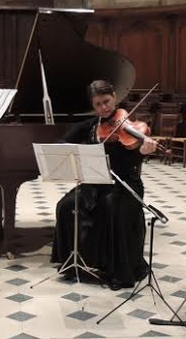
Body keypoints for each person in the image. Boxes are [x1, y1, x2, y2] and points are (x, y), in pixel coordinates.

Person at [51, 80, 159, 290]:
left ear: (115, 97)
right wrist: (71, 148)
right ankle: (74, 263)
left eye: (107, 101)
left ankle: (117, 270)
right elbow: (62, 142)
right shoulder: (90, 126)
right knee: (65, 205)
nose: (104, 108)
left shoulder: (129, 126)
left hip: (125, 184)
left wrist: (142, 152)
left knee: (111, 207)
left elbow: (130, 162)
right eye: (98, 104)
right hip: (96, 184)